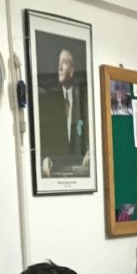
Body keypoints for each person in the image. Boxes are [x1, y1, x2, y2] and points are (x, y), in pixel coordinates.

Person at [38, 48, 89, 177]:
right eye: (59, 63)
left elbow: (90, 130)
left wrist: (90, 151)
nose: (60, 67)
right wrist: (45, 157)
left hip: (80, 166)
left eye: (64, 63)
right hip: (56, 166)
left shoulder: (83, 97)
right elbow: (43, 135)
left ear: (71, 71)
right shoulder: (49, 99)